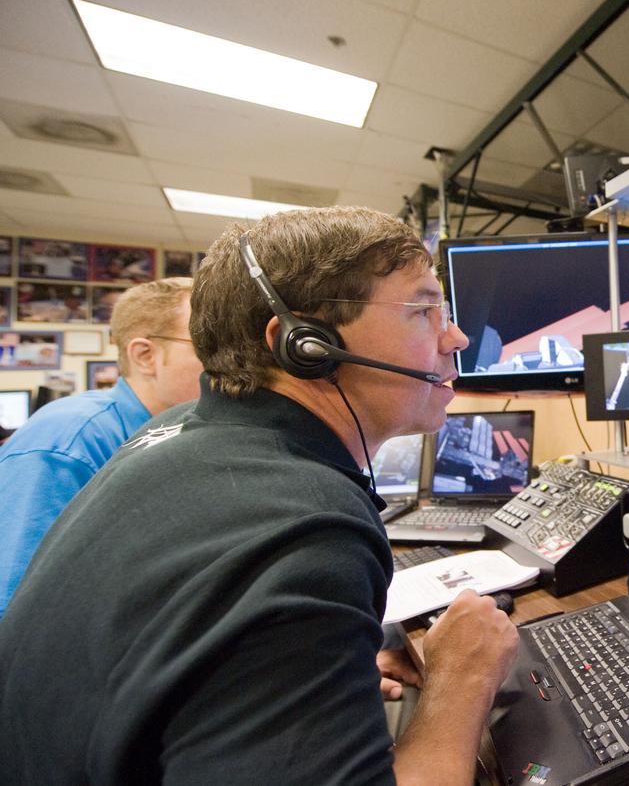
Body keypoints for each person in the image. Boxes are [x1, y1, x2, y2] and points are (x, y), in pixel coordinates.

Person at [0, 207, 519, 785]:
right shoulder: (305, 528)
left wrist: (315, 666)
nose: (457, 337)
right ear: (304, 344)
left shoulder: (172, 434)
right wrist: (460, 680)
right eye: (422, 310)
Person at [0, 277, 202, 615]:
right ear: (145, 356)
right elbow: (16, 604)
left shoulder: (182, 432)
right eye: (208, 344)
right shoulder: (68, 440)